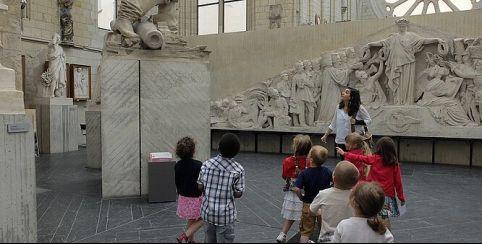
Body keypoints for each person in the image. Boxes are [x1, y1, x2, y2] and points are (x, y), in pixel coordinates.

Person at [337, 137, 405, 229]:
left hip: (373, 193)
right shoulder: (394, 164)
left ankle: (372, 233)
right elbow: (398, 182)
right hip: (388, 195)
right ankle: (386, 234)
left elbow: (359, 157)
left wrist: (344, 153)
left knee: (372, 214)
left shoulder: (374, 159)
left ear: (379, 148)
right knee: (385, 217)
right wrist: (401, 197)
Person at [197, 133, 245, 243]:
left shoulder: (206, 164)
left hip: (207, 213)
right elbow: (239, 193)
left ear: (218, 147)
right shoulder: (238, 169)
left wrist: (209, 188)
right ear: (237, 152)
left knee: (209, 239)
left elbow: (200, 186)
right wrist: (228, 190)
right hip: (225, 216)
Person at [310, 161, 360, 243]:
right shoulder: (356, 196)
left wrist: (319, 212)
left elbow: (311, 211)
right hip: (349, 237)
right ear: (355, 182)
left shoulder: (324, 194)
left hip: (327, 238)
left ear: (333, 178)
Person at [277, 135, 312, 243]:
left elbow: (284, 175)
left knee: (291, 216)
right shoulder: (309, 161)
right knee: (306, 217)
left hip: (292, 192)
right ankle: (305, 237)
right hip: (305, 193)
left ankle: (282, 234)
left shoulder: (287, 161)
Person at [294, 146, 333, 243]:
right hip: (323, 204)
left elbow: (296, 188)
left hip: (308, 204)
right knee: (324, 229)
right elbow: (335, 182)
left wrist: (301, 197)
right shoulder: (327, 171)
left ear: (310, 159)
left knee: (305, 232)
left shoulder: (304, 173)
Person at [321, 88, 371, 159]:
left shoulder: (359, 108)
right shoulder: (338, 107)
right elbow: (333, 123)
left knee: (354, 162)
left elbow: (369, 120)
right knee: (344, 161)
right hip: (341, 140)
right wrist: (325, 135)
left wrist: (357, 122)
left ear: (351, 97)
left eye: (346, 92)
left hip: (354, 141)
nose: (343, 93)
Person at [175, 137, 204, 243]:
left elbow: (177, 182)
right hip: (195, 198)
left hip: (183, 197)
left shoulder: (177, 165)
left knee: (191, 219)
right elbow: (201, 183)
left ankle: (191, 240)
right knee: (204, 218)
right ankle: (185, 236)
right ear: (193, 151)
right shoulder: (199, 165)